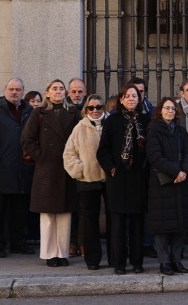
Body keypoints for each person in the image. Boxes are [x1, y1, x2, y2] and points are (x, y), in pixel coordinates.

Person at [23, 80, 79, 267]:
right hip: (47, 168)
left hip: (67, 168)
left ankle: (62, 253)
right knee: (47, 215)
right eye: (54, 89)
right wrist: (41, 157)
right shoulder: (39, 113)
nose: (58, 91)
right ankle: (48, 253)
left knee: (65, 214)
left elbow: (79, 139)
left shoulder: (73, 113)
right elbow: (27, 140)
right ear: (47, 93)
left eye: (61, 89)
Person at [99, 85, 152, 273]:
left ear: (139, 99)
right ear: (121, 99)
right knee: (119, 224)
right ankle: (119, 263)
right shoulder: (112, 121)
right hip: (118, 178)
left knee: (138, 223)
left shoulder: (146, 120)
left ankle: (137, 263)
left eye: (134, 96)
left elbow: (150, 149)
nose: (131, 99)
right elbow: (102, 150)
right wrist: (111, 168)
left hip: (139, 178)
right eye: (127, 96)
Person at [143, 97, 188, 275]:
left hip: (181, 183)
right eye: (166, 108)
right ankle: (164, 262)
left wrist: (185, 171)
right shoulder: (153, 130)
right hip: (162, 184)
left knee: (179, 226)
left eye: (173, 109)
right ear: (160, 111)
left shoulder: (181, 131)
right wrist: (176, 171)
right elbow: (154, 156)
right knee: (162, 227)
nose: (170, 111)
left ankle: (177, 261)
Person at [0, 78, 32, 258]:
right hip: (1, 170)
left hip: (22, 169)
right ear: (5, 90)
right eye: (11, 89)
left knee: (19, 210)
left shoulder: (29, 112)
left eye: (18, 89)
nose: (14, 92)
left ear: (23, 91)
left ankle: (18, 243)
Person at [62, 94, 108, 271]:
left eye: (99, 107)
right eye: (91, 107)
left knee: (113, 219)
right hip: (87, 179)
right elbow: (68, 154)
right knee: (89, 221)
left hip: (110, 178)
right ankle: (93, 259)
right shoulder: (79, 128)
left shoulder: (109, 124)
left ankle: (114, 257)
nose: (95, 110)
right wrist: (79, 170)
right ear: (86, 109)